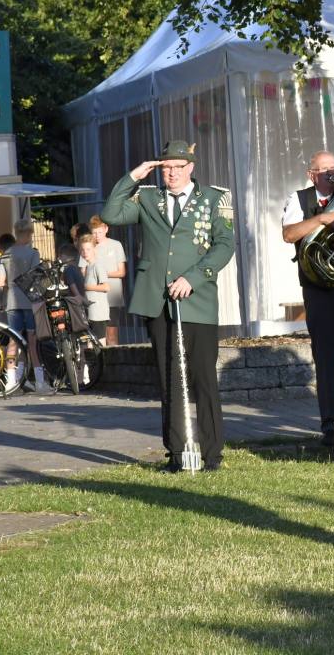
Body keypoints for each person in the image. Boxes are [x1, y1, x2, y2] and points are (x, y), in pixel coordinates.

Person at [101, 140, 236, 472]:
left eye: (178, 167)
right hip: (157, 300)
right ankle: (177, 453)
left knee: (204, 378)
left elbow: (224, 245)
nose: (172, 173)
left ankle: (212, 454)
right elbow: (110, 214)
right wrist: (134, 176)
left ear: (191, 167)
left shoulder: (215, 198)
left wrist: (194, 278)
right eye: (166, 168)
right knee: (170, 379)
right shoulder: (148, 198)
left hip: (197, 300)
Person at [281, 150, 334, 449]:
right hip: (318, 289)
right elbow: (289, 235)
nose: (331, 173)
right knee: (326, 361)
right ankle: (329, 427)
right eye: (324, 169)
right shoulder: (299, 199)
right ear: (311, 174)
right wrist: (320, 220)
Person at [0, 218, 49, 392]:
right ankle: (40, 381)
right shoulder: (32, 254)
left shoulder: (6, 254)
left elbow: (0, 282)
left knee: (13, 340)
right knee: (32, 342)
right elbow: (36, 279)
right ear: (28, 234)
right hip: (29, 302)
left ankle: (11, 381)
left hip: (12, 302)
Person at [88, 215, 127, 345]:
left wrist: (102, 274)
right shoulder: (89, 248)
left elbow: (122, 272)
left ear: (106, 229)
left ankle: (115, 357)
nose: (97, 236)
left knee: (111, 334)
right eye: (94, 233)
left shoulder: (116, 245)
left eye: (100, 232)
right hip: (96, 298)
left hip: (112, 296)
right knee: (98, 336)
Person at [78, 235, 111, 342]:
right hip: (90, 312)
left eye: (88, 249)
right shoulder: (88, 267)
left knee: (100, 343)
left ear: (94, 249)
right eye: (83, 250)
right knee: (90, 344)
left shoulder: (98, 265)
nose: (85, 252)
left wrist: (86, 287)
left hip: (98, 313)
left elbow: (106, 287)